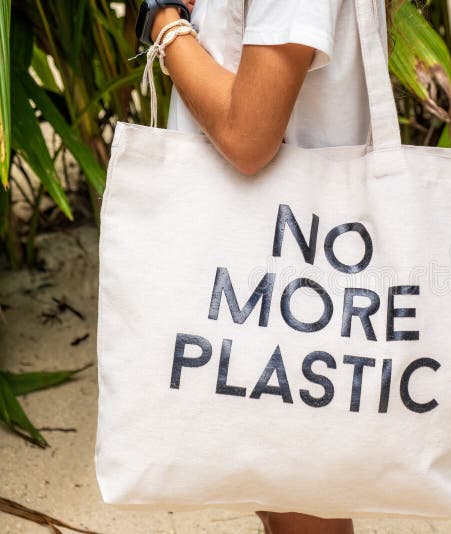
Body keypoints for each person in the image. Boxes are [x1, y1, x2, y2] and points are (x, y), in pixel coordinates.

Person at [146, 0, 388, 531]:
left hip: (283, 258)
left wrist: (164, 25)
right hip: (270, 258)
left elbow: (247, 137)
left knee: (298, 493)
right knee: (282, 491)